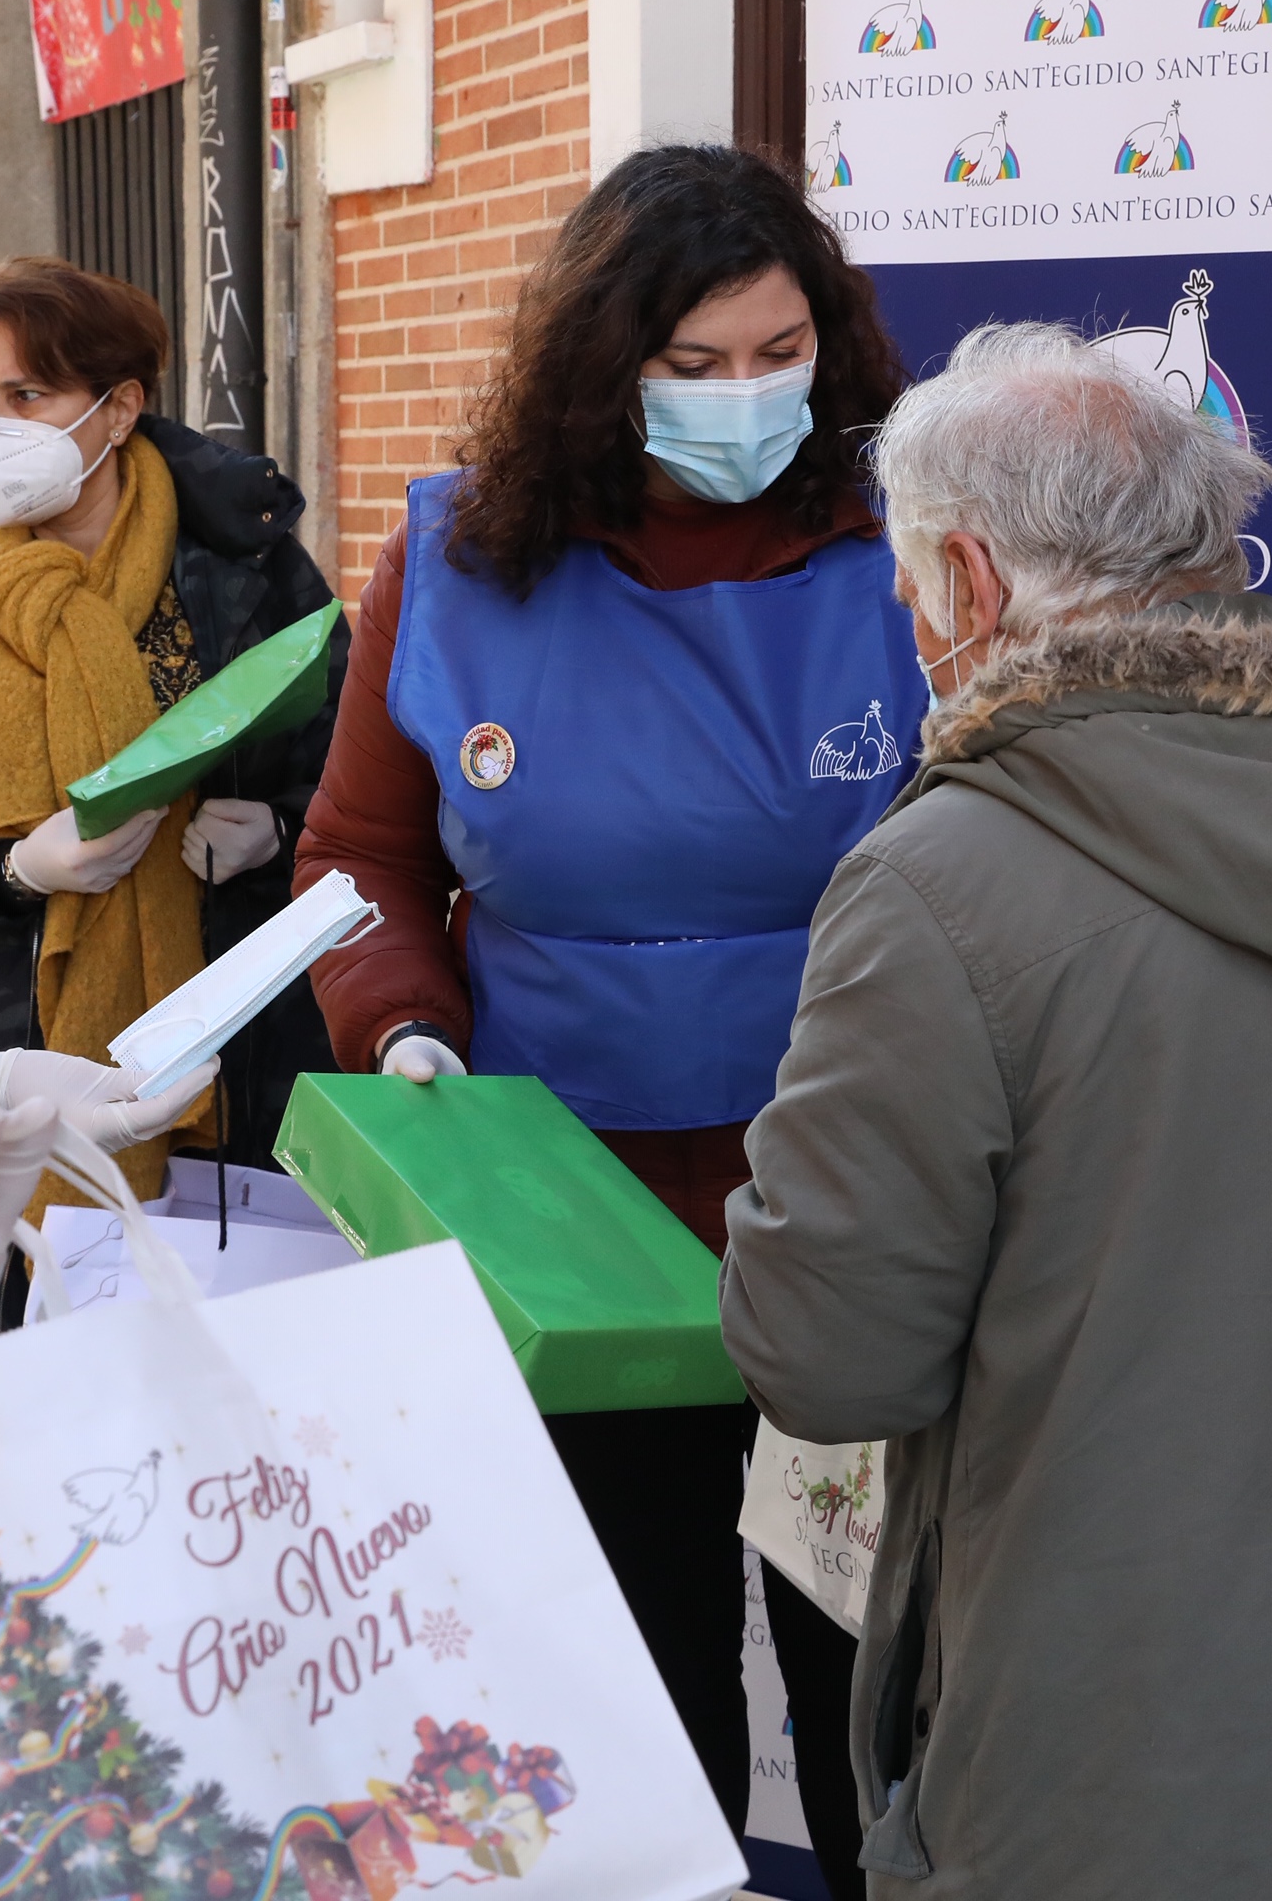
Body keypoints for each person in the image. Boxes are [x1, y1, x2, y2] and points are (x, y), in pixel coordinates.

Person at [718, 319, 1272, 1897]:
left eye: (910, 587)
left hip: (1102, 1766)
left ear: (971, 584)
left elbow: (830, 1357)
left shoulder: (939, 883)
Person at [295, 143, 923, 1855]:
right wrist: (398, 1022)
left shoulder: (914, 537)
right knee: (635, 1682)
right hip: (571, 1216)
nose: (743, 395)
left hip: (862, 1192)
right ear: (603, 366)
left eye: (777, 352)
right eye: (691, 363)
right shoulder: (459, 559)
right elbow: (358, 853)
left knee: (875, 1686)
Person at [0, 257, 345, 1202]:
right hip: (0, 1076)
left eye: (27, 395)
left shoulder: (242, 563)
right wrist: (12, 871)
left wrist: (280, 831)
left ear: (120, 408)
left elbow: (360, 793)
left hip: (237, 1064)